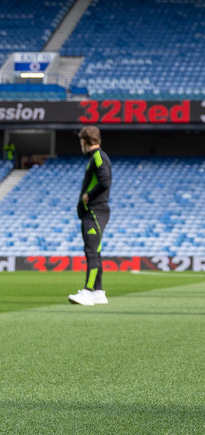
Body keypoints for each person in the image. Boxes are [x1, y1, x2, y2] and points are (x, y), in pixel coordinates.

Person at [68, 126, 112, 306]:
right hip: (94, 211)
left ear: (83, 142)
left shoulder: (98, 157)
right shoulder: (95, 158)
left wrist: (88, 195)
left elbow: (105, 180)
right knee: (96, 252)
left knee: (91, 251)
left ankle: (87, 291)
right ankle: (99, 292)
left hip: (95, 211)